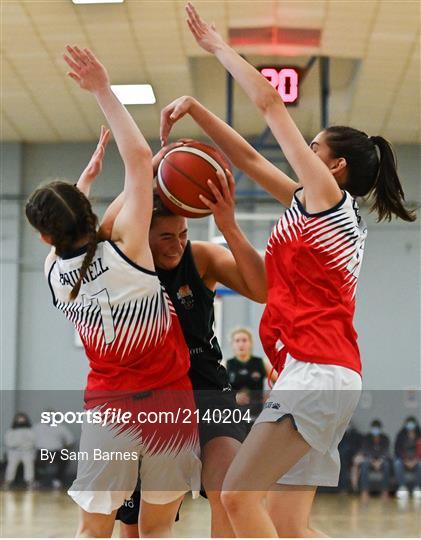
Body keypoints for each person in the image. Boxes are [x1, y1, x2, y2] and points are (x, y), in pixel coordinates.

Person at [160, 4, 416, 537]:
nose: (304, 150)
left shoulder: (327, 198)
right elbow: (252, 162)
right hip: (316, 371)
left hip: (319, 372)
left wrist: (217, 48)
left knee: (235, 495)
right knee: (287, 524)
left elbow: (272, 104)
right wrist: (198, 111)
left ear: (335, 166)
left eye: (314, 146)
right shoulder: (312, 204)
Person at [25, 45, 201, 538]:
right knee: (157, 531)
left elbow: (73, 239)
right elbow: (142, 158)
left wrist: (84, 181)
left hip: (109, 411)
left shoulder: (53, 273)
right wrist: (102, 87)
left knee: (92, 531)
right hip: (170, 405)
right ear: (86, 212)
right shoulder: (126, 245)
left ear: (45, 236)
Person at [81, 149, 267, 537]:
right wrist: (150, 166)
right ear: (140, 234)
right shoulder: (122, 264)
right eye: (166, 235)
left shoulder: (199, 258)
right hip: (150, 402)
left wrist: (228, 225)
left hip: (208, 392)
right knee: (134, 526)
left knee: (227, 490)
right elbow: (104, 230)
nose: (177, 243)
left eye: (182, 234)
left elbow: (263, 289)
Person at [226, 327, 273, 432]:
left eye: (244, 340)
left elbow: (280, 382)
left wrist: (272, 395)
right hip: (235, 417)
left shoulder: (261, 363)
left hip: (257, 416)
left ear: (251, 343)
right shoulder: (226, 365)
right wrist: (233, 397)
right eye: (237, 341)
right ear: (232, 344)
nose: (241, 344)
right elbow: (217, 391)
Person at [33, 410, 75, 488]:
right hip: (41, 451)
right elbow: (30, 440)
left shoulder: (61, 427)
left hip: (56, 451)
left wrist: (65, 448)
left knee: (64, 458)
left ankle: (58, 480)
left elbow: (70, 440)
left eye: (51, 415)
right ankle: (37, 480)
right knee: (31, 459)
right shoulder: (36, 427)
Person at [358, 420, 391, 502]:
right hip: (370, 460)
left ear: (380, 429)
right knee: (364, 464)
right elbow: (365, 450)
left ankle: (385, 491)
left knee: (387, 465)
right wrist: (372, 461)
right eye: (374, 428)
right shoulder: (367, 437)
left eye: (377, 428)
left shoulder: (385, 438)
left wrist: (380, 461)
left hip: (381, 460)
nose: (375, 430)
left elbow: (386, 451)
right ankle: (365, 491)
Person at [3, 413, 36, 489]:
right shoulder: (11, 431)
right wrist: (18, 444)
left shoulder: (30, 431)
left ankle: (30, 482)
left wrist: (24, 445)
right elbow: (8, 442)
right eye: (19, 419)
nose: (21, 421)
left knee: (29, 466)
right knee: (11, 466)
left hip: (27, 451)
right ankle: (8, 481)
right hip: (14, 452)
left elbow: (32, 442)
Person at [394, 416, 421, 499]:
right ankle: (402, 487)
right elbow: (397, 450)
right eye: (408, 424)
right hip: (404, 459)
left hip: (416, 459)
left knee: (420, 464)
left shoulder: (419, 434)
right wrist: (405, 460)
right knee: (397, 463)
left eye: (412, 423)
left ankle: (417, 487)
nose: (410, 425)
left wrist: (415, 461)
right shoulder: (400, 435)